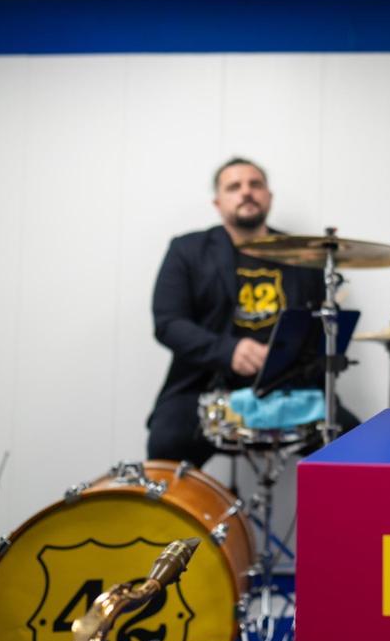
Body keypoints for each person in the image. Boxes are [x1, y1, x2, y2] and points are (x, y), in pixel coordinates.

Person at [147, 157, 356, 466]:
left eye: (255, 184)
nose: (246, 192)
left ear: (268, 197)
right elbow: (168, 323)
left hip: (288, 390)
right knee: (167, 441)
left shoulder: (303, 256)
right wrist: (228, 351)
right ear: (218, 202)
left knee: (357, 449)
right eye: (234, 186)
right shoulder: (187, 250)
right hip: (205, 387)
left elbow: (321, 332)